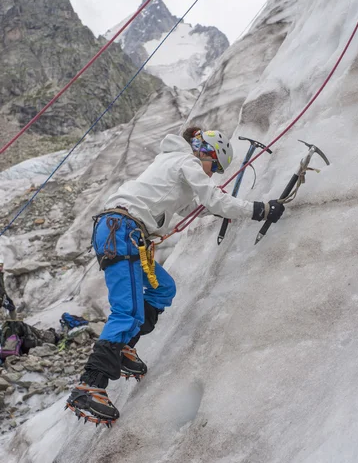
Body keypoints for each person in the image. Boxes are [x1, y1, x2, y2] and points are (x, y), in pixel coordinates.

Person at [66, 127, 284, 424]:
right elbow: (212, 200)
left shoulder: (173, 163)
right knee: (126, 310)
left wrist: (228, 208)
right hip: (122, 230)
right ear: (207, 153)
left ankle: (124, 349)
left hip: (123, 231)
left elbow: (202, 206)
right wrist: (259, 209)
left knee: (163, 289)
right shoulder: (186, 162)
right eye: (215, 166)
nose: (213, 173)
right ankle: (90, 385)